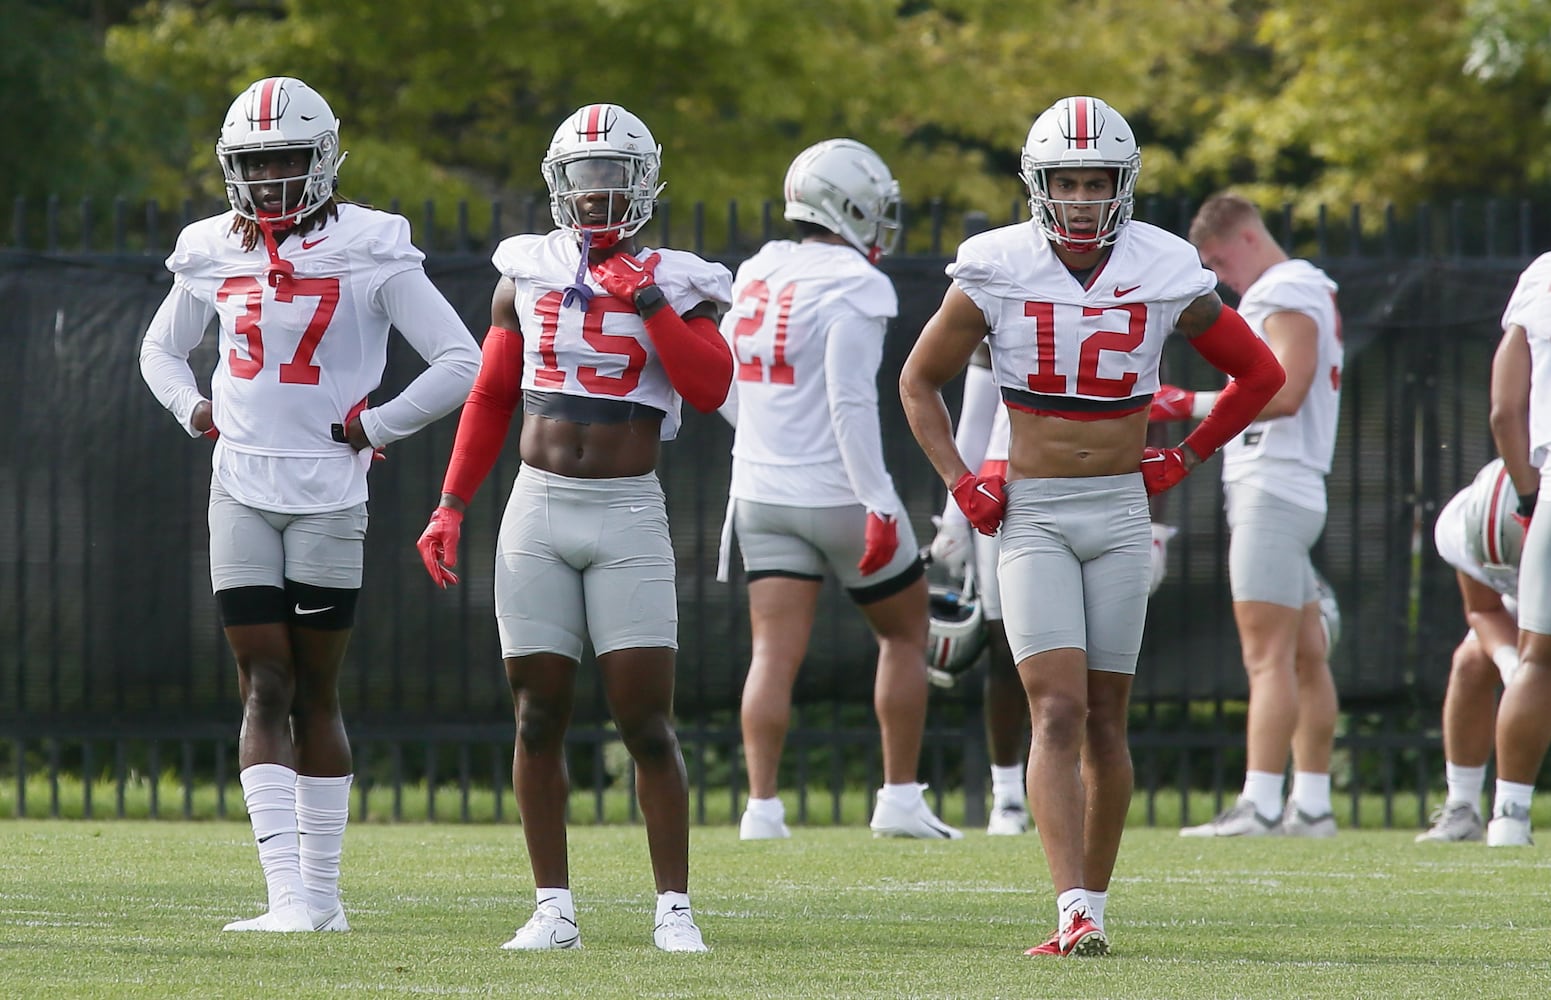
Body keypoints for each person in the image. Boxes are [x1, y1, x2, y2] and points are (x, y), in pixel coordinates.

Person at [899, 95, 1284, 958]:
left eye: (1094, 182)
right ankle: (1068, 905)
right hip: (1031, 510)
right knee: (1058, 709)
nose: (1078, 199)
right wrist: (961, 485)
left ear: (1123, 186)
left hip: (1117, 511)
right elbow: (917, 380)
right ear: (1038, 186)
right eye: (1064, 182)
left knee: (1106, 716)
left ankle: (1096, 910)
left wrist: (1181, 457)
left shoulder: (1162, 265)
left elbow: (1259, 375)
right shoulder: (995, 264)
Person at [138, 76, 481, 932]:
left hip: (329, 492)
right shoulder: (210, 246)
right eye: (257, 162)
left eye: (289, 157)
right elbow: (159, 350)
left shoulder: (369, 243)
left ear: (323, 157)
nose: (274, 176)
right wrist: (196, 409)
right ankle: (285, 896)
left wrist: (376, 424)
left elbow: (459, 359)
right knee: (262, 684)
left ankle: (323, 897)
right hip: (242, 485)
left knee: (317, 691)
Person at [413, 103, 733, 951]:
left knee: (644, 722)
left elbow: (707, 387)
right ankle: (552, 907)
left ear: (642, 183)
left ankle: (673, 908)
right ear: (559, 185)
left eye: (612, 177)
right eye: (583, 178)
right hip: (538, 504)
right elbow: (488, 396)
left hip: (627, 508)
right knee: (535, 714)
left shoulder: (683, 278)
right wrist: (450, 504)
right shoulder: (523, 271)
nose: (597, 194)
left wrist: (653, 301)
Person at [718, 138, 960, 842]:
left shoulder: (759, 267)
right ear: (845, 205)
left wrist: (761, 439)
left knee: (772, 652)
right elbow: (849, 403)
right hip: (837, 494)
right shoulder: (854, 282)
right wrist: (880, 500)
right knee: (905, 633)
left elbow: (725, 383)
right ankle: (898, 798)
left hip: (759, 488)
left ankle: (760, 809)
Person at [929, 347, 1178, 836]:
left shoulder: (1134, 292)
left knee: (1100, 671)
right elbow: (975, 417)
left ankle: (1082, 789)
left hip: (1109, 489)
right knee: (1008, 649)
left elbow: (1155, 411)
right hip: (1015, 485)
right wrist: (957, 510)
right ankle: (1006, 795)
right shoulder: (1003, 288)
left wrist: (1158, 528)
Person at [1157, 192, 1345, 839]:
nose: (1219, 278)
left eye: (1216, 261)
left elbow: (1286, 390)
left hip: (1273, 483)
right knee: (1301, 655)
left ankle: (1261, 802)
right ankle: (1311, 805)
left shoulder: (1283, 289)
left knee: (1264, 656)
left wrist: (1185, 402)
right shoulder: (1304, 287)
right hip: (1294, 484)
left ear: (1242, 238)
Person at [1417, 456, 1526, 842]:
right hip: (1528, 603)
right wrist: (1512, 664)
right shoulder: (1459, 524)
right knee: (1470, 662)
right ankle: (1462, 807)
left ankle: (1514, 808)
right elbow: (1483, 609)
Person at [1487, 267, 1550, 848]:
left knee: (1538, 661)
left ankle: (1508, 816)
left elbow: (1506, 409)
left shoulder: (1544, 274)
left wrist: (1530, 495)